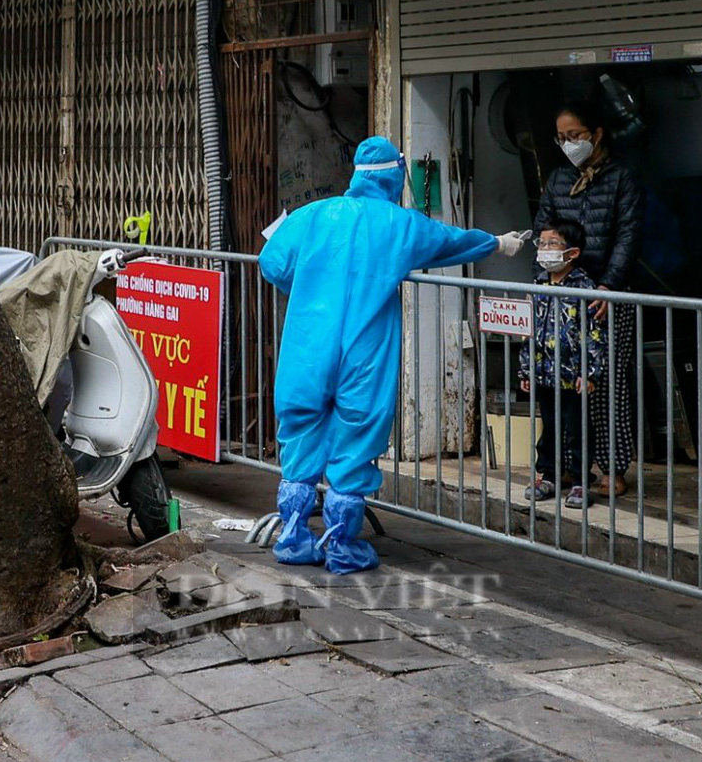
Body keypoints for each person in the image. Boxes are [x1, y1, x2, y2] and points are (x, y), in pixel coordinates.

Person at [260, 137, 524, 574]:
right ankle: (341, 545)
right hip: (363, 351)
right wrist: (498, 243)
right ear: (394, 177)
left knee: (301, 432)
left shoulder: (312, 215)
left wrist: (308, 285)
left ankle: (293, 534)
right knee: (355, 436)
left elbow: (272, 263)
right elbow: (452, 242)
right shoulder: (401, 225)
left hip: (307, 347)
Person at [534, 102, 644, 499]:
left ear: (596, 134)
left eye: (575, 136)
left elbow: (628, 235)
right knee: (559, 387)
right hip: (562, 295)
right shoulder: (560, 178)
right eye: (561, 138)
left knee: (604, 386)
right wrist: (542, 280)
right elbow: (542, 229)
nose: (568, 144)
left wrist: (608, 286)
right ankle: (564, 467)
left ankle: (612, 467)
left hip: (604, 297)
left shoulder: (621, 178)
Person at [518, 220, 603, 507]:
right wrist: (526, 369)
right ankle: (549, 476)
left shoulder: (584, 287)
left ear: (572, 253)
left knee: (577, 428)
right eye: (541, 243)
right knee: (550, 428)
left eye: (552, 244)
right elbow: (528, 330)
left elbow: (593, 333)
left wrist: (589, 372)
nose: (544, 249)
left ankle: (580, 482)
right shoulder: (538, 284)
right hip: (544, 374)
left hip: (573, 377)